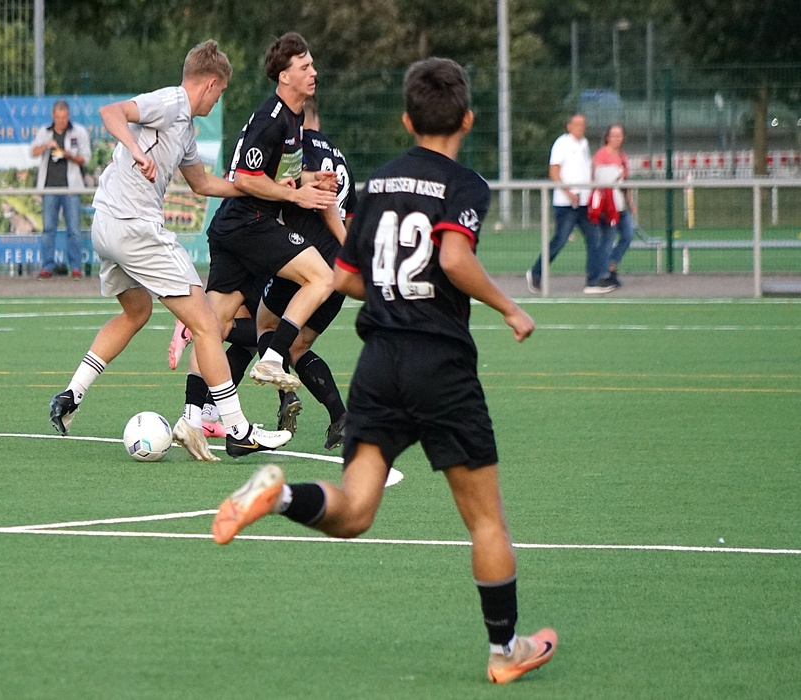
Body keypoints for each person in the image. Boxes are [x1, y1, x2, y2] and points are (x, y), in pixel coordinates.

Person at [210, 58, 557, 685]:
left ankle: (278, 495)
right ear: (467, 120)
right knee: (486, 520)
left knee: (355, 510)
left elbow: (345, 278)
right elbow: (454, 258)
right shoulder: (465, 184)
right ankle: (505, 649)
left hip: (379, 363)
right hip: (439, 364)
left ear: (406, 120)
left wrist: (393, 289)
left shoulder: (376, 184)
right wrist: (509, 306)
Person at [47, 40, 292, 461]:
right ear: (210, 84)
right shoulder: (172, 103)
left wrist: (261, 188)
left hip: (107, 225)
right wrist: (136, 151)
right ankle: (238, 430)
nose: (218, 100)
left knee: (136, 312)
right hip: (134, 226)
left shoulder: (186, 131)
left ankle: (72, 393)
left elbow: (202, 184)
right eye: (220, 92)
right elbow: (111, 113)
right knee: (207, 325)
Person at [178, 32, 339, 435]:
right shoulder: (273, 119)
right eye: (305, 66)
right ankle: (273, 356)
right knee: (322, 276)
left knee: (212, 326)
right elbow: (246, 179)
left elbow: (277, 174)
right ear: (285, 76)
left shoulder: (293, 118)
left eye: (312, 65)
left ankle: (191, 420)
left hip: (233, 226)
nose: (313, 72)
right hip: (249, 222)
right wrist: (298, 196)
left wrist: (309, 179)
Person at [257, 95, 355, 449]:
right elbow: (351, 214)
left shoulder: (303, 146)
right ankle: (340, 416)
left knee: (265, 324)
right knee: (298, 346)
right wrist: (349, 252)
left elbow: (322, 200)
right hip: (338, 265)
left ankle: (285, 395)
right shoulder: (341, 158)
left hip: (305, 253)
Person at [525, 113, 614, 295]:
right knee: (560, 239)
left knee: (594, 239)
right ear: (569, 126)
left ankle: (593, 281)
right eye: (577, 124)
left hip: (584, 203)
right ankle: (536, 272)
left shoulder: (584, 144)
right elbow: (554, 172)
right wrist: (568, 192)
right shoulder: (562, 144)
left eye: (583, 124)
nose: (581, 128)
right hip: (566, 205)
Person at [31, 100, 91, 279]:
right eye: (58, 118)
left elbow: (85, 159)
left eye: (64, 118)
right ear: (53, 115)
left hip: (71, 188)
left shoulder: (78, 132)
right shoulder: (45, 132)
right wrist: (46, 146)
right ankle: (47, 267)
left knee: (74, 230)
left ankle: (76, 268)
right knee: (48, 229)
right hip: (49, 188)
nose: (61, 121)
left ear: (68, 115)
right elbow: (33, 152)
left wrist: (67, 154)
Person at [591, 124, 635, 288]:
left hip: (621, 205)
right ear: (607, 137)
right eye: (613, 135)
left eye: (619, 135)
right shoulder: (601, 155)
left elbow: (625, 182)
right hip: (607, 206)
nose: (617, 138)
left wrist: (631, 202)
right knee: (607, 239)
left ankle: (610, 266)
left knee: (628, 235)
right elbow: (599, 178)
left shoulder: (623, 156)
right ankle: (603, 274)